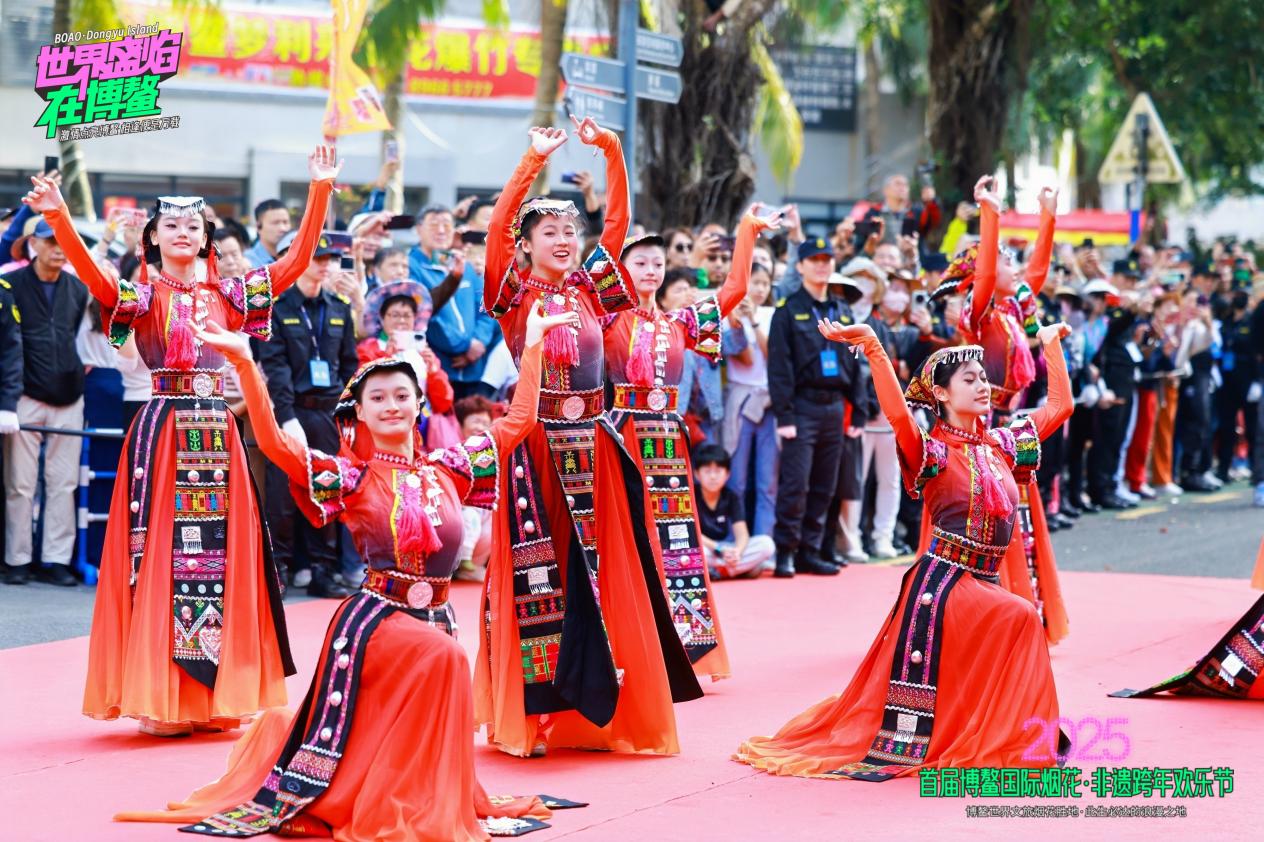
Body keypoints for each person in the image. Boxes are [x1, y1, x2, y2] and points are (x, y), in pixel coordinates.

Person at [116, 307, 578, 839]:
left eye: (402, 395)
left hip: (436, 616)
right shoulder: (352, 477)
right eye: (376, 398)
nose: (391, 406)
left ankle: (420, 787)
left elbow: (517, 422)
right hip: (377, 622)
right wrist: (246, 366)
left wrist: (537, 344)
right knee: (448, 657)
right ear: (356, 412)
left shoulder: (452, 467)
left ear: (420, 404)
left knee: (438, 659)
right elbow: (275, 446)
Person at [21, 145, 339, 734]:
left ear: (207, 235)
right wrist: (59, 217)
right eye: (172, 224)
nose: (185, 231)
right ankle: (165, 698)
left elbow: (293, 265)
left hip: (218, 430)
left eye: (195, 224)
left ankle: (217, 696)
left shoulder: (233, 296)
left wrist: (319, 189)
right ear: (154, 238)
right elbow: (93, 278)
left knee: (226, 560)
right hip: (165, 431)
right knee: (164, 560)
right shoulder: (143, 297)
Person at [735, 319, 1074, 781]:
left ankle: (1004, 733)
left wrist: (1049, 344)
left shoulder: (1002, 445)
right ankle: (1017, 739)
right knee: (1020, 616)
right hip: (943, 588)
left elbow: (1060, 405)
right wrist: (875, 346)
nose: (982, 386)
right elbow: (897, 415)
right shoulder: (930, 450)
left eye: (982, 377)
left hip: (982, 581)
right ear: (941, 394)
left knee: (1014, 621)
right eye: (968, 380)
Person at [476, 118, 702, 758]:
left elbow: (617, 228)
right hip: (538, 446)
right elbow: (496, 228)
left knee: (602, 577)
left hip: (595, 444)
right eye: (549, 232)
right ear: (525, 245)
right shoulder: (512, 291)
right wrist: (530, 162)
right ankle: (534, 717)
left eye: (570, 231)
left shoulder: (593, 289)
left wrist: (612, 149)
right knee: (538, 581)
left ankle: (596, 713)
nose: (566, 240)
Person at [603, 209, 776, 679]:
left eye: (657, 262)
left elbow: (734, 293)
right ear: (621, 269)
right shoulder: (606, 318)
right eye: (639, 262)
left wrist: (747, 232)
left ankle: (686, 646)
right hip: (620, 436)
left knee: (677, 543)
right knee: (623, 540)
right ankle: (622, 645)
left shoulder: (681, 322)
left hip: (667, 440)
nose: (651, 269)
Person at [932, 176, 1069, 645]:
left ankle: (1019, 611)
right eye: (1003, 259)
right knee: (988, 518)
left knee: (1018, 519)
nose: (1012, 265)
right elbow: (989, 272)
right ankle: (975, 612)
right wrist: (989, 212)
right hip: (977, 425)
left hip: (1006, 421)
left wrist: (1047, 216)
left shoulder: (1012, 311)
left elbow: (1035, 272)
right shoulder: (980, 311)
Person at [254, 232, 361, 599]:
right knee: (282, 494)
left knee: (328, 488)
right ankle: (279, 566)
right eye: (317, 257)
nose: (325, 265)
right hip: (293, 409)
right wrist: (285, 416)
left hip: (328, 412)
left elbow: (350, 364)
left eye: (329, 258)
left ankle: (322, 568)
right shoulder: (278, 308)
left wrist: (347, 413)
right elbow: (275, 367)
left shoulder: (338, 306)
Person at [767, 237, 867, 578]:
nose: (822, 265)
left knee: (828, 484)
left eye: (827, 259)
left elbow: (855, 364)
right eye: (814, 260)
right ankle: (786, 551)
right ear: (800, 266)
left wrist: (860, 409)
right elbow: (779, 367)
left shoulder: (841, 311)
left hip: (835, 406)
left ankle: (813, 549)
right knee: (796, 483)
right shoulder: (787, 310)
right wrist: (785, 415)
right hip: (802, 405)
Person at [2, 217, 89, 586]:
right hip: (24, 393)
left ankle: (54, 559)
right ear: (32, 245)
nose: (57, 248)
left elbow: (87, 340)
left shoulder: (78, 287)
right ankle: (16, 558)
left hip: (69, 395)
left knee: (64, 481)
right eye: (49, 241)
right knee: (19, 483)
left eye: (62, 242)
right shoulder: (11, 285)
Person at [410, 205, 499, 399]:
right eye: (434, 225)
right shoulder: (411, 266)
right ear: (418, 229)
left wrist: (479, 343)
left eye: (447, 225)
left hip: (475, 369)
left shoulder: (463, 264)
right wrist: (464, 346)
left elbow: (486, 307)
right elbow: (424, 315)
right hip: (438, 370)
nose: (441, 230)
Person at [721, 260, 777, 537]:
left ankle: (764, 540)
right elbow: (747, 358)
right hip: (741, 399)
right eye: (754, 283)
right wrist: (742, 319)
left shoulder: (773, 314)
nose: (759, 289)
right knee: (737, 477)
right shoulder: (728, 314)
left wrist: (754, 320)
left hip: (770, 402)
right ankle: (735, 538)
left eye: (765, 284)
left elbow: (774, 357)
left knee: (768, 479)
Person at [694, 443, 774, 579]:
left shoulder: (731, 497)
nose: (713, 477)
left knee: (766, 544)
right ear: (697, 474)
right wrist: (718, 548)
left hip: (725, 551)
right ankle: (736, 570)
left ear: (727, 474)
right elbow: (692, 533)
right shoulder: (690, 496)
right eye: (707, 471)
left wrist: (737, 552)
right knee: (692, 551)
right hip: (707, 548)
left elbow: (742, 534)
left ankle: (718, 571)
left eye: (718, 471)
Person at [243, 198, 292, 269]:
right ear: (258, 227)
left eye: (285, 222)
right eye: (275, 223)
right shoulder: (248, 261)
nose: (282, 228)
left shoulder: (296, 257)